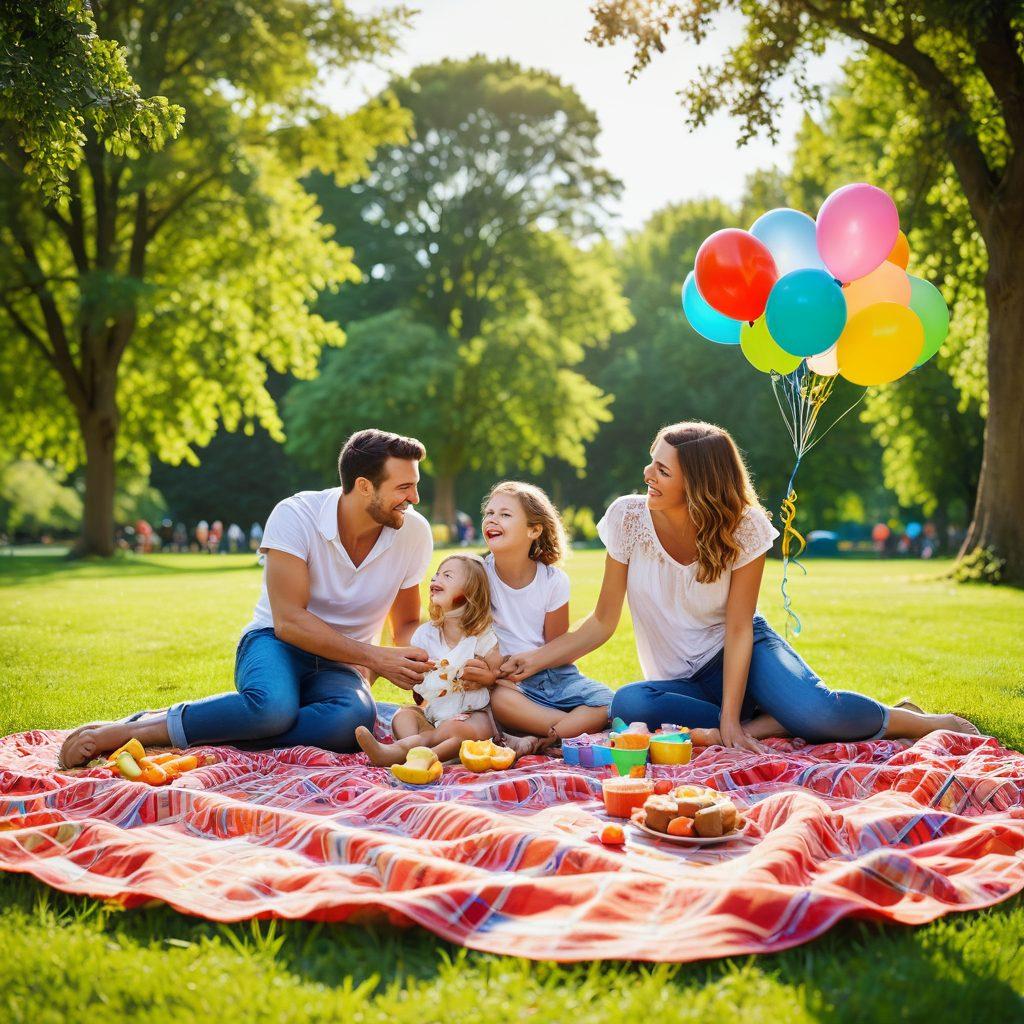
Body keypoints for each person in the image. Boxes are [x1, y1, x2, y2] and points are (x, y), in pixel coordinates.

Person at [501, 422, 978, 751]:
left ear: (700, 484)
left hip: (745, 656)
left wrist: (729, 721)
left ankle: (913, 720)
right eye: (652, 462)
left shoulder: (744, 528)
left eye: (663, 470)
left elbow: (737, 629)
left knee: (821, 716)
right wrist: (533, 660)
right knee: (628, 702)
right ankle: (770, 723)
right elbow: (603, 621)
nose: (648, 474)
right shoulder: (627, 518)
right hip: (683, 684)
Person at [58, 428, 435, 767]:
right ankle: (141, 729)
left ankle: (205, 723)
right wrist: (373, 657)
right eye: (403, 488)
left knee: (350, 723)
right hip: (275, 641)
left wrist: (422, 668)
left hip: (343, 663)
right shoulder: (296, 515)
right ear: (364, 485)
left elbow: (403, 623)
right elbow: (289, 622)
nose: (414, 498)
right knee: (271, 709)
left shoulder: (413, 533)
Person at [480, 481, 613, 747]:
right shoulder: (479, 574)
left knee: (610, 702)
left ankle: (545, 735)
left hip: (553, 676)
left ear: (534, 529)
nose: (492, 520)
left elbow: (557, 646)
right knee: (499, 702)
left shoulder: (553, 580)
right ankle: (567, 730)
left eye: (505, 514)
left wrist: (538, 663)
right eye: (489, 513)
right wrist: (494, 672)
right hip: (507, 682)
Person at [356, 554, 503, 765]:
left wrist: (486, 678)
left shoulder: (483, 636)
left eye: (447, 575)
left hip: (472, 716)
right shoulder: (425, 635)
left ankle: (414, 757)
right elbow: (418, 687)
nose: (435, 579)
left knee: (456, 730)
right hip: (434, 715)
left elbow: (498, 677)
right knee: (403, 716)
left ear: (471, 592)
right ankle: (415, 750)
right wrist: (417, 679)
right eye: (436, 575)